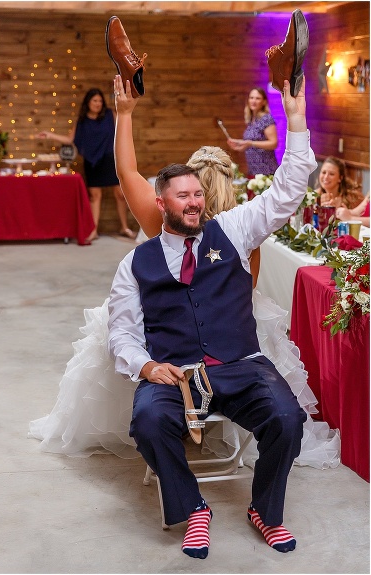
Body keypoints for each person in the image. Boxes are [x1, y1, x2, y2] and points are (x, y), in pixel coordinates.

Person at [31, 73, 338, 472]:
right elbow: (247, 291)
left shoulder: (174, 216)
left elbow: (126, 172)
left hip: (169, 338)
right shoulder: (243, 233)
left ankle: (173, 427)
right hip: (226, 340)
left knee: (141, 348)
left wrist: (125, 113)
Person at [109, 78, 314, 559]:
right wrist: (146, 368)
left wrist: (296, 119)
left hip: (241, 364)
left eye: (198, 194)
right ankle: (194, 507)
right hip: (173, 373)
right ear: (161, 203)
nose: (195, 202)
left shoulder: (235, 229)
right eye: (183, 196)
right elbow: (121, 329)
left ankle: (265, 509)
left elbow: (287, 192)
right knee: (147, 422)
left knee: (288, 419)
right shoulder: (135, 263)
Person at [38, 88, 136, 241]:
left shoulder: (111, 115)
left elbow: (123, 131)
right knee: (95, 196)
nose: (98, 104)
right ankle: (94, 230)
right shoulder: (82, 120)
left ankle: (124, 227)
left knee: (120, 194)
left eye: (100, 101)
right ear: (88, 102)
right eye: (94, 100)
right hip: (92, 161)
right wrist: (50, 135)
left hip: (110, 159)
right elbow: (70, 139)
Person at [227, 87, 279, 176]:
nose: (253, 101)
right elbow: (252, 144)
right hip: (253, 170)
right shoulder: (252, 120)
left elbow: (274, 143)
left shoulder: (266, 119)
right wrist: (240, 145)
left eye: (257, 98)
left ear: (264, 102)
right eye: (251, 98)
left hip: (266, 171)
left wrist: (250, 143)